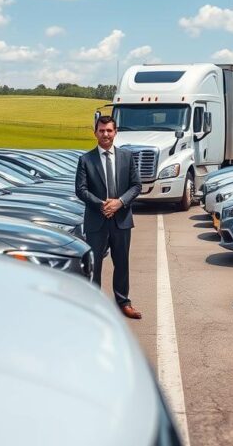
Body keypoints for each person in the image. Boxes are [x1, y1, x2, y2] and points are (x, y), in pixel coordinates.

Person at [76, 115, 143, 319]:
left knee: (121, 263)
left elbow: (136, 186)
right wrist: (102, 204)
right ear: (95, 132)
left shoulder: (127, 157)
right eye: (102, 130)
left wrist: (119, 202)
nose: (106, 134)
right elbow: (80, 189)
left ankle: (123, 302)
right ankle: (94, 303)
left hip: (121, 220)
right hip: (97, 220)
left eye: (109, 130)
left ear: (115, 132)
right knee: (95, 264)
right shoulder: (86, 160)